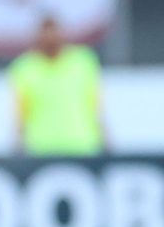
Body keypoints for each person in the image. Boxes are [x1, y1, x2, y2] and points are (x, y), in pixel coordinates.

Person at [8, 15, 105, 156]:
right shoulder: (25, 68)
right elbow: (20, 114)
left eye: (54, 32)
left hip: (82, 146)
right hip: (42, 149)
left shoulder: (83, 62)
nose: (51, 38)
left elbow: (96, 107)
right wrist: (17, 146)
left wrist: (105, 141)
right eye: (46, 34)